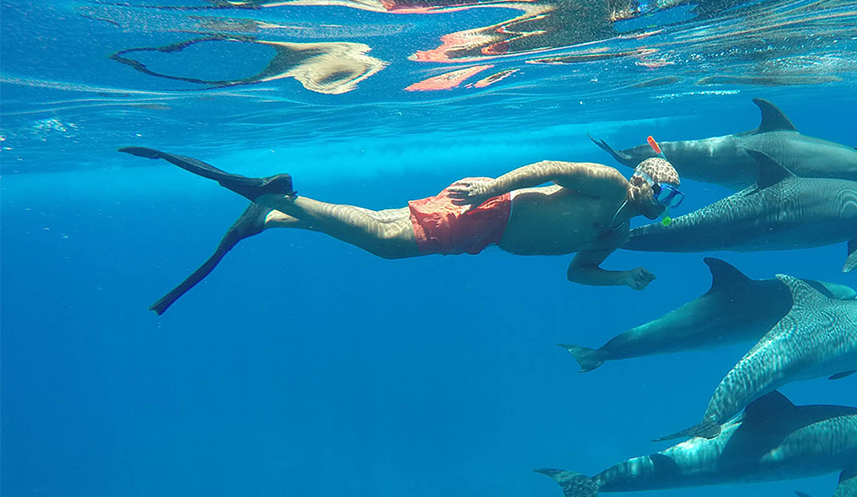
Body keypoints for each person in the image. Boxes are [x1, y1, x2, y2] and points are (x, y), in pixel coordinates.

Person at [119, 146, 684, 314]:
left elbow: (578, 272)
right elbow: (550, 170)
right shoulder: (610, 185)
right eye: (666, 189)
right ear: (645, 181)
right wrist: (489, 189)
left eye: (673, 196)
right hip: (492, 210)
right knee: (388, 244)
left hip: (485, 232)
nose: (668, 201)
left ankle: (273, 214)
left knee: (388, 226)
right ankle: (280, 198)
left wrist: (623, 279)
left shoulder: (616, 235)